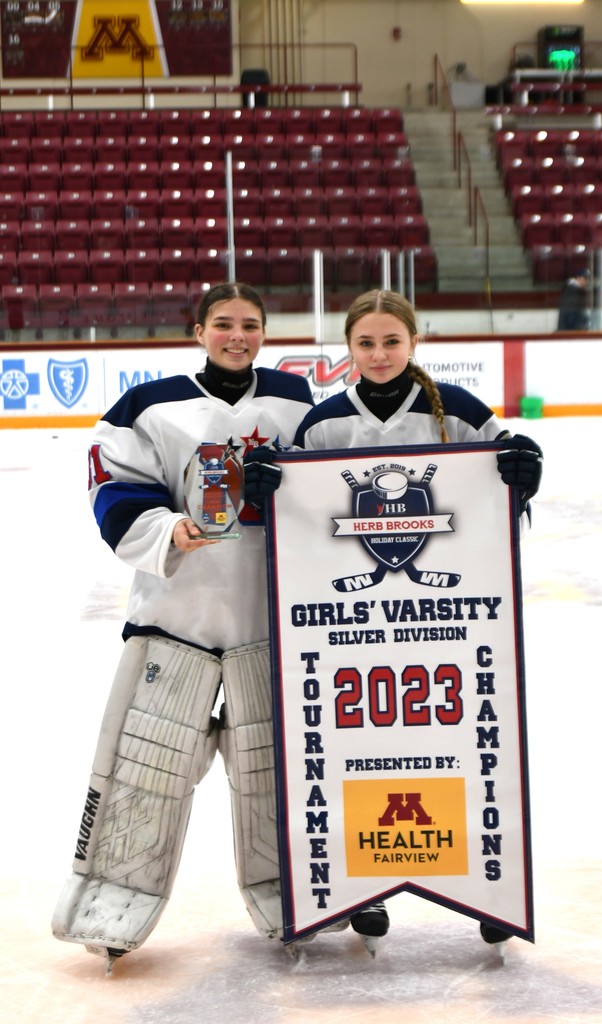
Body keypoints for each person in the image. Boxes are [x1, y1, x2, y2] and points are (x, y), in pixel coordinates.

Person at [51, 281, 377, 970]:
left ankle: (297, 889)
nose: (237, 335)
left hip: (275, 619)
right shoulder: (147, 406)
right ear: (197, 328)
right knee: (144, 765)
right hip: (176, 616)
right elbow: (113, 486)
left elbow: (350, 474)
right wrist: (167, 525)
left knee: (279, 769)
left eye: (250, 324)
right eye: (223, 323)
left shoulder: (297, 401)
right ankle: (113, 896)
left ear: (264, 332)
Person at [294, 288, 543, 953]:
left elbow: (500, 494)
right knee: (362, 754)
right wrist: (269, 491)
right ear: (346, 348)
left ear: (414, 343)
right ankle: (364, 888)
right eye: (365, 343)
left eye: (390, 341)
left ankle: (488, 888)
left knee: (462, 749)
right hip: (353, 629)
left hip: (448, 629)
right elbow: (297, 534)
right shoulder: (321, 425)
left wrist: (525, 470)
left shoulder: (458, 414)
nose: (378, 355)